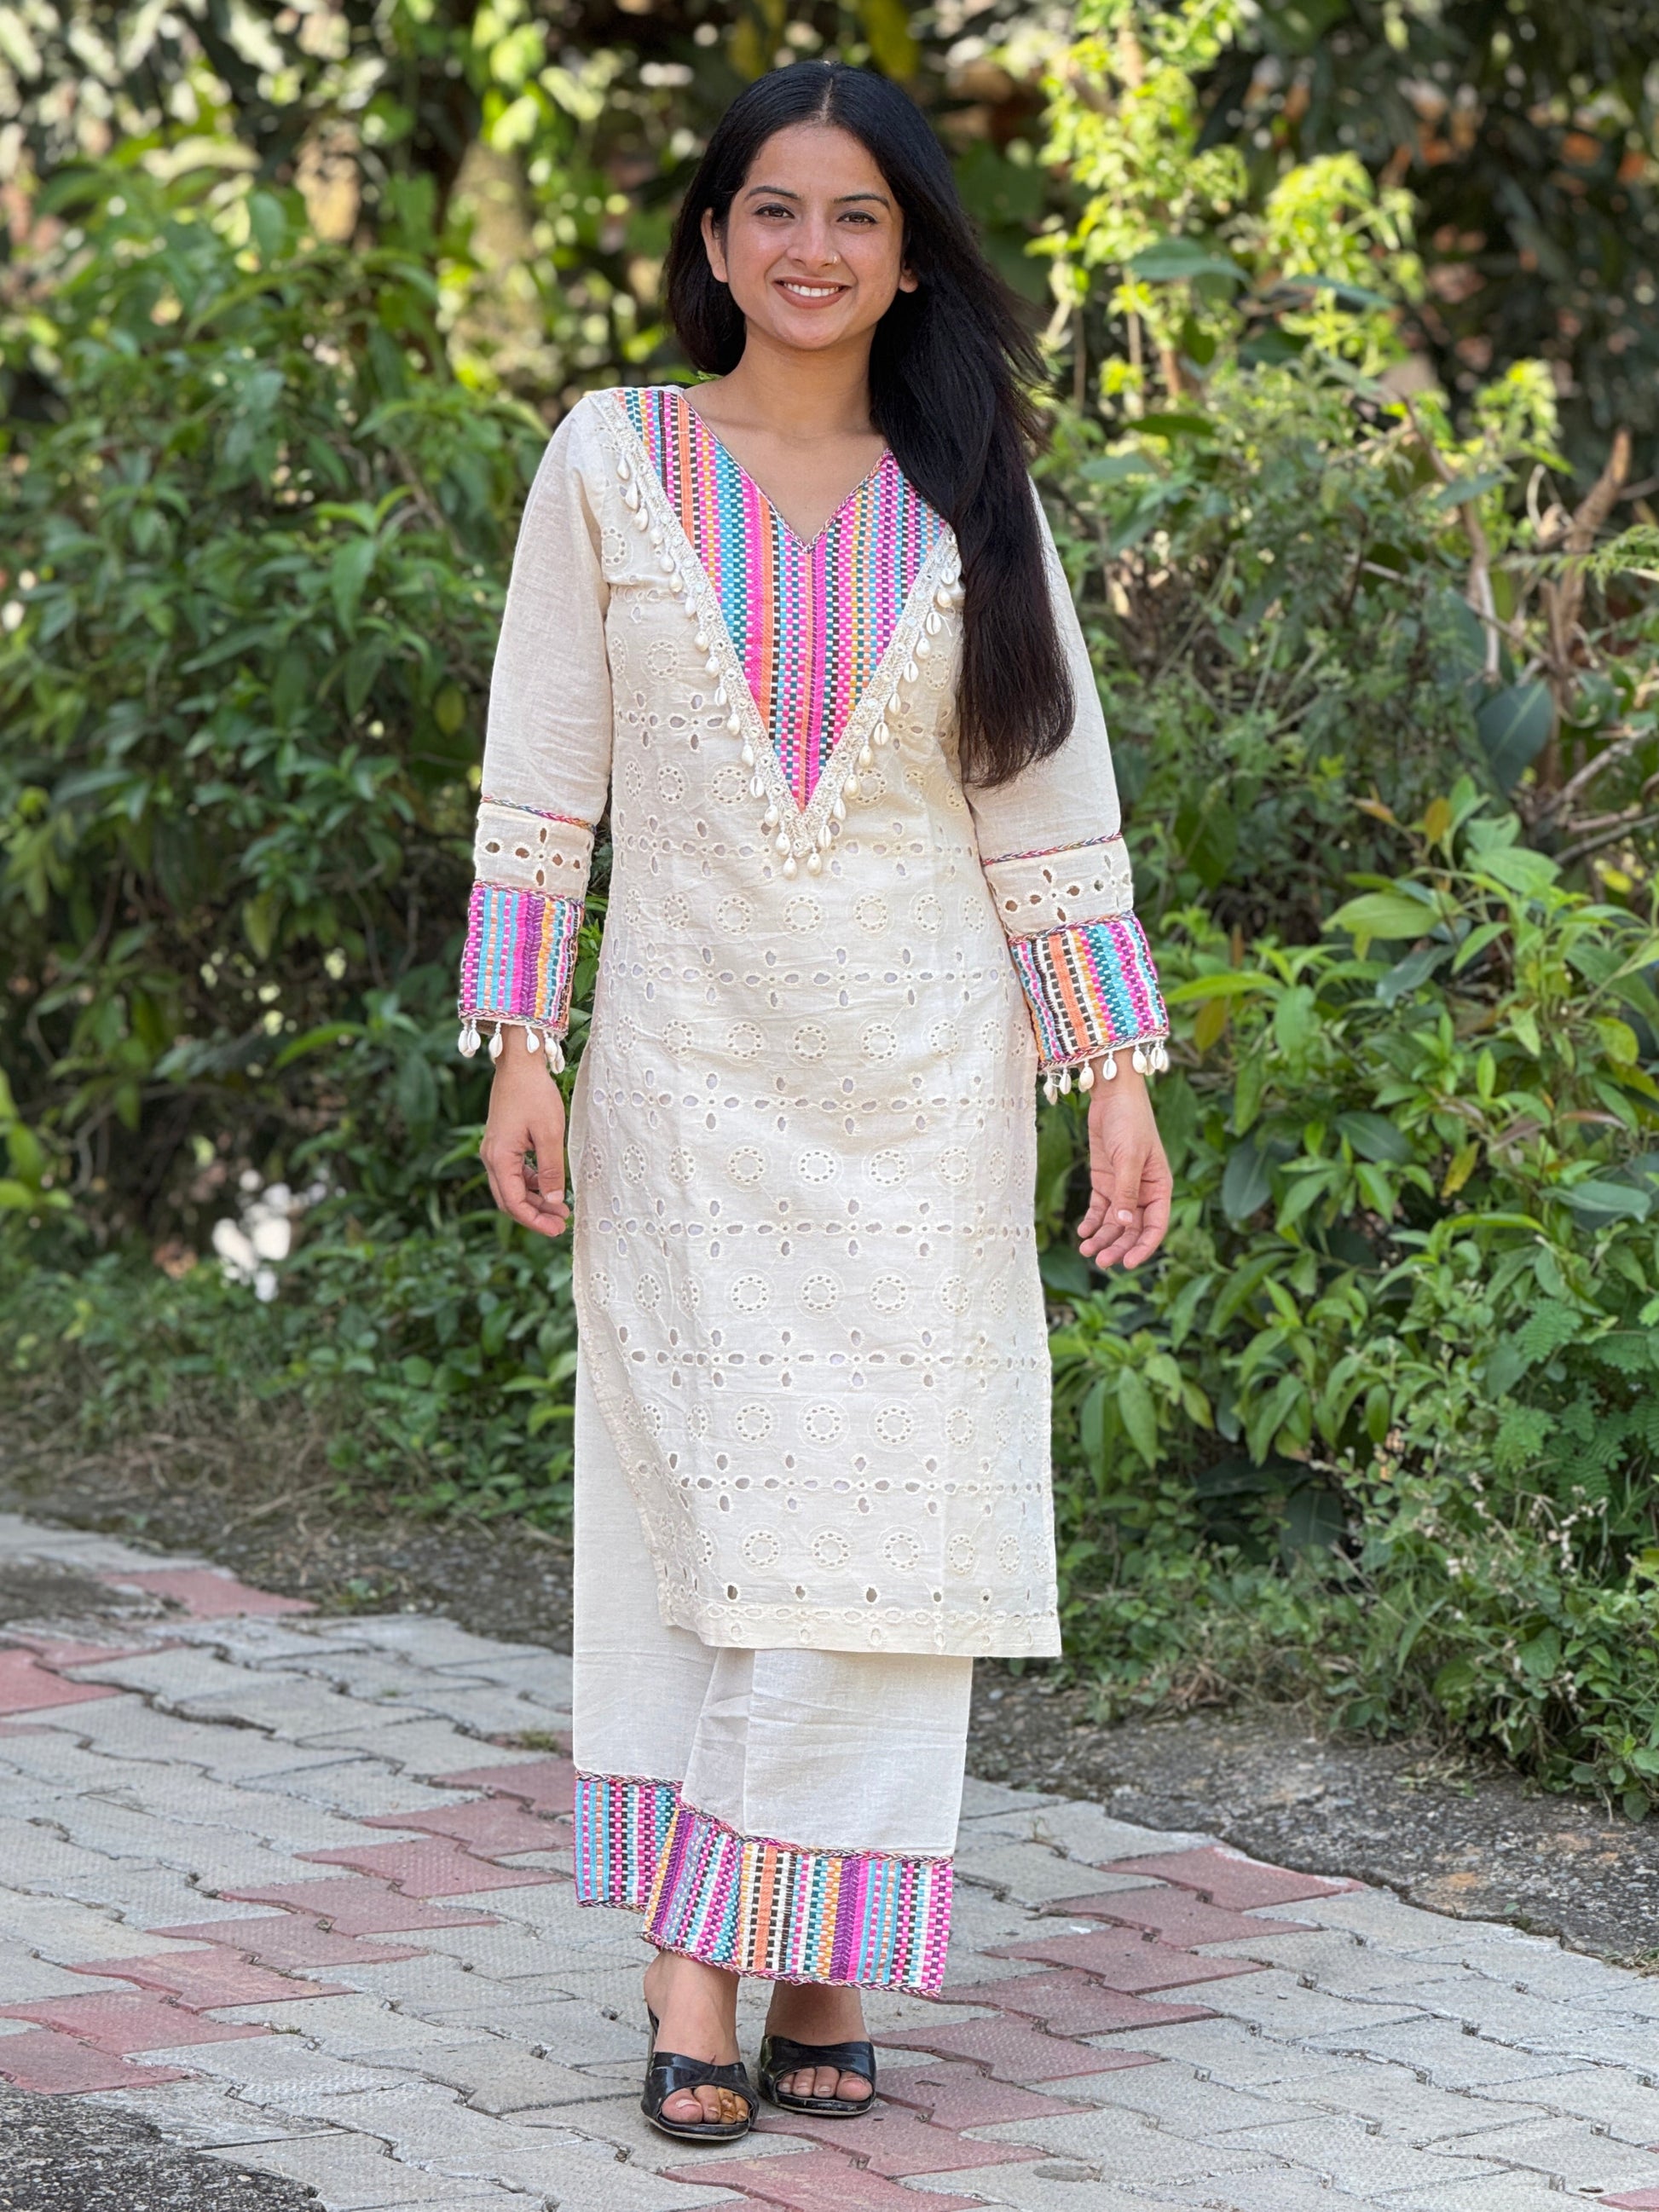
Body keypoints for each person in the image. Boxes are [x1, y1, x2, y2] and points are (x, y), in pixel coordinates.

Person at [455, 59, 1172, 2146]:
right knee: (706, 1513)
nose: (812, 248)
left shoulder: (970, 487)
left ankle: (823, 1963)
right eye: (774, 209)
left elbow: (1048, 815)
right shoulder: (610, 458)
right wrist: (526, 1034)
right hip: (682, 1079)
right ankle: (697, 1973)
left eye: (857, 216)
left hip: (921, 1090)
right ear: (710, 239)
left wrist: (1108, 1081)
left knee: (881, 1522)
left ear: (906, 256)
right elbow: (543, 767)